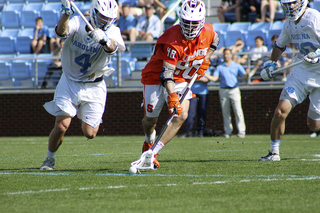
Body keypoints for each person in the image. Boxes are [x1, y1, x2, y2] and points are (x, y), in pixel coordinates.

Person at [131, 0, 219, 170]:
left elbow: (215, 40)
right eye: (187, 23)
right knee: (150, 120)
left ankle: (152, 153)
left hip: (180, 78)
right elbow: (166, 74)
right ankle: (148, 142)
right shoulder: (172, 40)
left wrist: (205, 59)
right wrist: (172, 96)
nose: (191, 28)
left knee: (181, 114)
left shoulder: (209, 31)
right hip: (157, 76)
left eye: (195, 23)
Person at [40, 0, 125, 170]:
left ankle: (87, 115)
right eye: (102, 17)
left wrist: (105, 39)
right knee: (62, 125)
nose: (105, 21)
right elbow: (60, 32)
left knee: (90, 133)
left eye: (109, 18)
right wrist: (66, 13)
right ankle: (49, 159)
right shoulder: (78, 23)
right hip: (69, 81)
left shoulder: (113, 30)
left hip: (94, 85)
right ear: (94, 12)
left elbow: (114, 48)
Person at [258, 0, 320, 161]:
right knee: (280, 111)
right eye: (287, 4)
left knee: (314, 125)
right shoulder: (289, 23)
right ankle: (274, 153)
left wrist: (318, 53)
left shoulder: (314, 17)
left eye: (293, 3)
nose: (290, 7)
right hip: (301, 72)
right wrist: (272, 63)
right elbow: (279, 46)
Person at [205, 48, 249, 138]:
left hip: (234, 90)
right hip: (223, 90)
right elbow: (214, 78)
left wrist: (248, 74)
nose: (226, 56)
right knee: (225, 112)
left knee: (238, 111)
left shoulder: (237, 66)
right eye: (224, 54)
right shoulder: (220, 67)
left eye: (228, 54)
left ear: (231, 55)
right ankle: (228, 132)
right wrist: (204, 74)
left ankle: (241, 132)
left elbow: (244, 76)